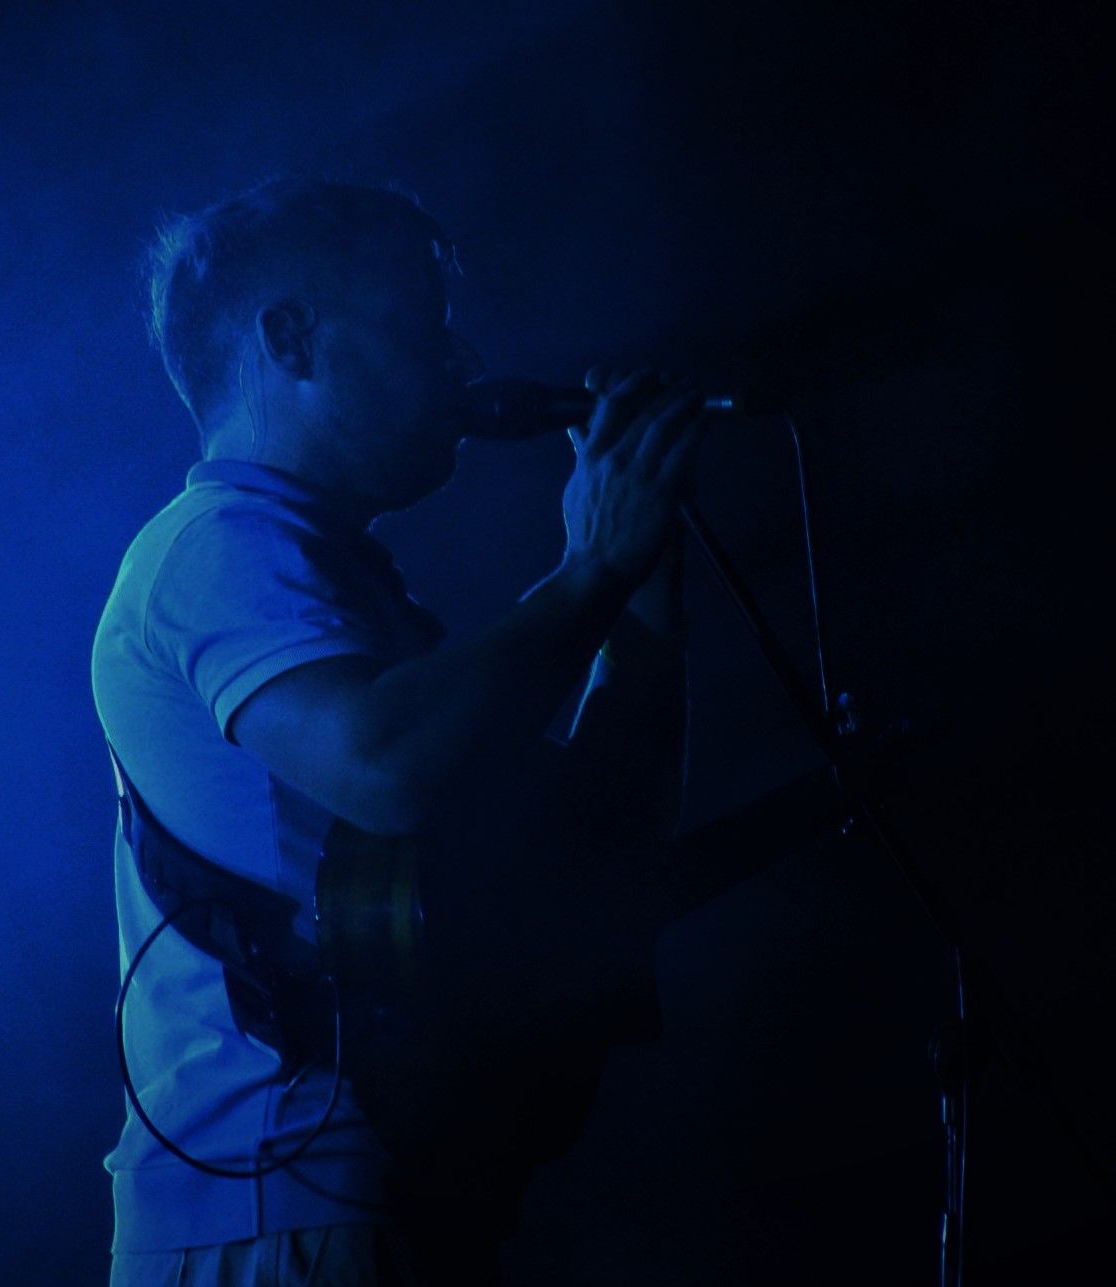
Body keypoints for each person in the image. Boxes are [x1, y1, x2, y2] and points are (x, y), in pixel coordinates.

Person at [92, 176, 708, 1285]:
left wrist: (642, 581)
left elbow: (597, 835)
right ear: (291, 338)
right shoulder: (218, 547)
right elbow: (383, 768)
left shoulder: (334, 585)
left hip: (369, 1199)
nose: (463, 362)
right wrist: (593, 568)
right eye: (421, 324)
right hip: (281, 1215)